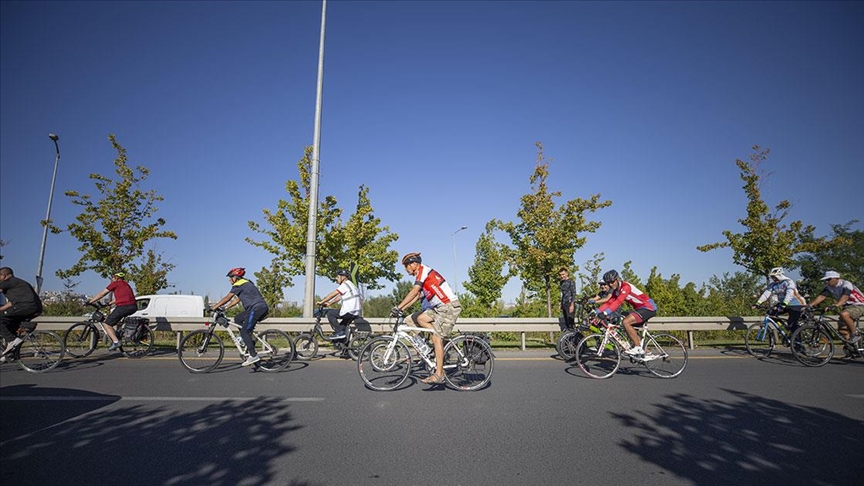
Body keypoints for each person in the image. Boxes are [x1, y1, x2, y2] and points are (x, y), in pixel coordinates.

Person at [391, 252, 462, 384]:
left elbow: (413, 291)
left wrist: (399, 307)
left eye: (406, 267)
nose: (406, 270)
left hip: (448, 307)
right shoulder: (421, 273)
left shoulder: (423, 271)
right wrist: (401, 308)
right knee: (419, 319)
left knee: (436, 337)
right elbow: (417, 295)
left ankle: (439, 374)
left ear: (413, 264)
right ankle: (433, 345)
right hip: (438, 308)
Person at [210, 267, 270, 367]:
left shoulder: (239, 284)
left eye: (230, 277)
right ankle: (246, 340)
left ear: (236, 277)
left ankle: (253, 355)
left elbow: (227, 298)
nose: (229, 280)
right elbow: (236, 300)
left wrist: (214, 306)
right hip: (257, 308)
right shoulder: (246, 283)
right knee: (238, 318)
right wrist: (226, 308)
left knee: (245, 331)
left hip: (256, 309)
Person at [596, 269, 658, 356]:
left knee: (626, 322)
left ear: (617, 279)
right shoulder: (616, 291)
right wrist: (597, 312)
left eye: (612, 282)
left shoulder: (626, 287)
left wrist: (605, 313)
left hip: (648, 307)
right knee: (626, 325)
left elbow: (618, 302)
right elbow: (609, 303)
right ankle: (646, 351)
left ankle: (638, 348)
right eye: (608, 282)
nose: (610, 284)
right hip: (639, 309)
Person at [807, 270, 863, 351]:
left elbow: (845, 297)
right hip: (847, 307)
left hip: (859, 305)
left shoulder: (846, 284)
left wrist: (835, 305)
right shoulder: (829, 287)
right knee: (842, 331)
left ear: (837, 278)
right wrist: (809, 305)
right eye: (825, 280)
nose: (827, 281)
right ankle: (853, 350)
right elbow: (821, 296)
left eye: (829, 279)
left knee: (844, 314)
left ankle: (855, 334)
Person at [0, 267, 43, 362]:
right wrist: (1, 309)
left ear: (4, 276)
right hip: (34, 307)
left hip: (26, 307)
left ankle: (12, 341)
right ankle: (11, 353)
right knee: (10, 326)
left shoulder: (8, 281)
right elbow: (12, 302)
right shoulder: (18, 284)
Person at [86, 271, 137, 352]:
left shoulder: (115, 283)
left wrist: (91, 301)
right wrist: (108, 303)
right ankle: (117, 335)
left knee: (107, 324)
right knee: (112, 320)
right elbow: (120, 298)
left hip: (123, 307)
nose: (112, 279)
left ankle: (116, 342)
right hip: (133, 306)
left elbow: (103, 293)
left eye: (112, 278)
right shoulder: (126, 284)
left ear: (116, 278)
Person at [752, 267, 808, 333]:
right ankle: (783, 327)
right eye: (772, 277)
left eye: (775, 277)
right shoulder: (773, 285)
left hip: (796, 304)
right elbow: (766, 294)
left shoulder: (789, 282)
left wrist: (783, 304)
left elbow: (789, 294)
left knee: (792, 322)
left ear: (780, 276)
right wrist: (758, 303)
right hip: (784, 304)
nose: (773, 279)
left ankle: (796, 341)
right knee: (771, 313)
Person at [316, 269, 361, 340]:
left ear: (343, 277)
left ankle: (340, 333)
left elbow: (333, 294)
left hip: (349, 311)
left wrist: (322, 302)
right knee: (341, 327)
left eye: (337, 277)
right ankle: (344, 346)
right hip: (355, 312)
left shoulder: (345, 285)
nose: (336, 279)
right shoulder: (351, 285)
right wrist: (329, 303)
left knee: (330, 313)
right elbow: (339, 297)